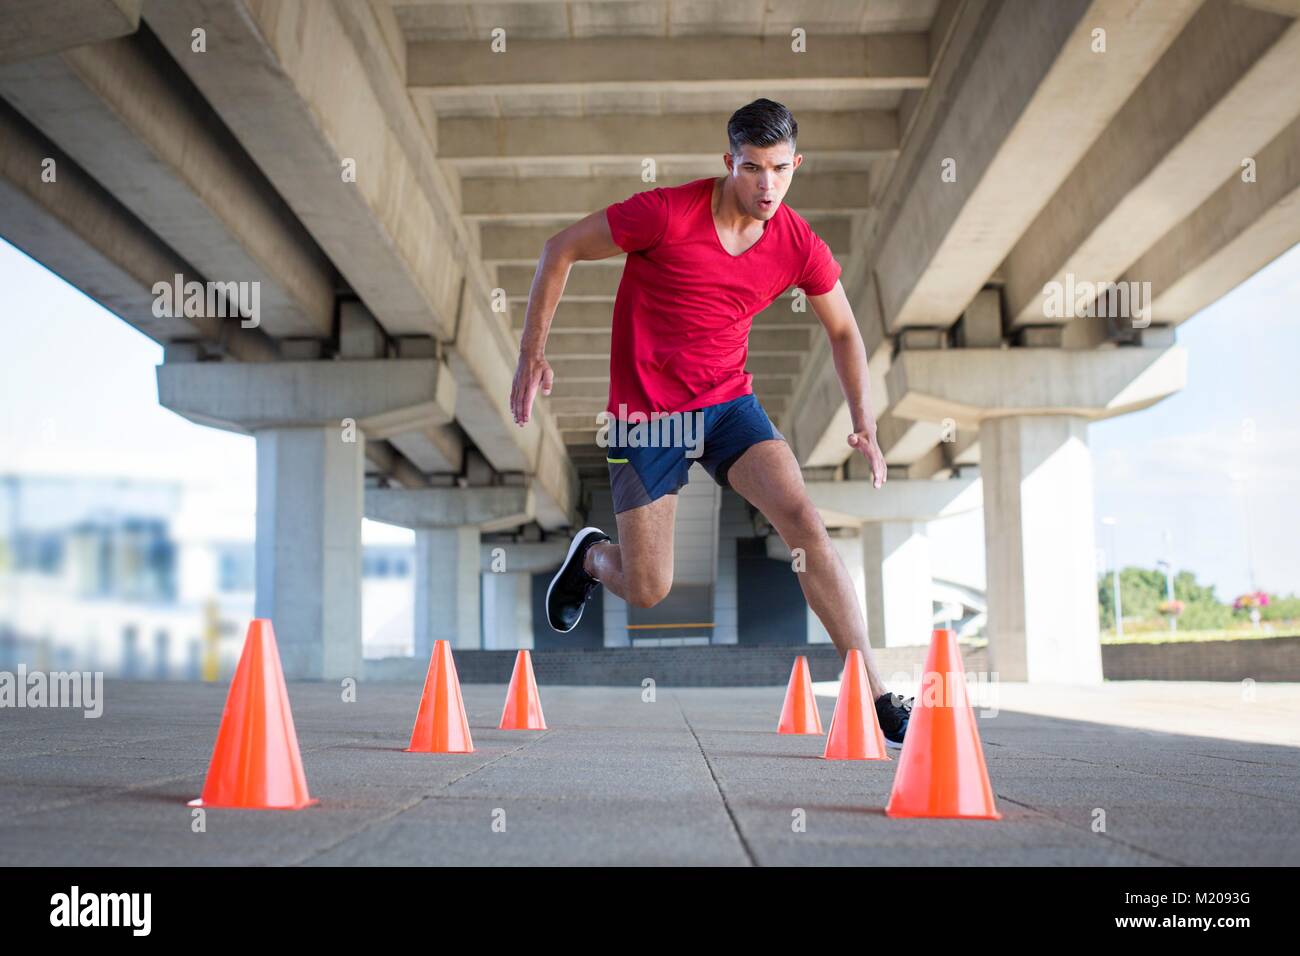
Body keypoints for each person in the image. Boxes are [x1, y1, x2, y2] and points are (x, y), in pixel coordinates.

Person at [509, 98, 913, 746]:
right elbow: (560, 249)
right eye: (752, 168)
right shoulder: (665, 214)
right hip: (647, 418)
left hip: (727, 406)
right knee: (647, 588)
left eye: (780, 169)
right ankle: (590, 558)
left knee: (804, 520)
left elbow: (843, 329)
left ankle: (872, 695)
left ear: (795, 164)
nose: (767, 185)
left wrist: (864, 418)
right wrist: (532, 354)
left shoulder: (796, 242)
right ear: (729, 162)